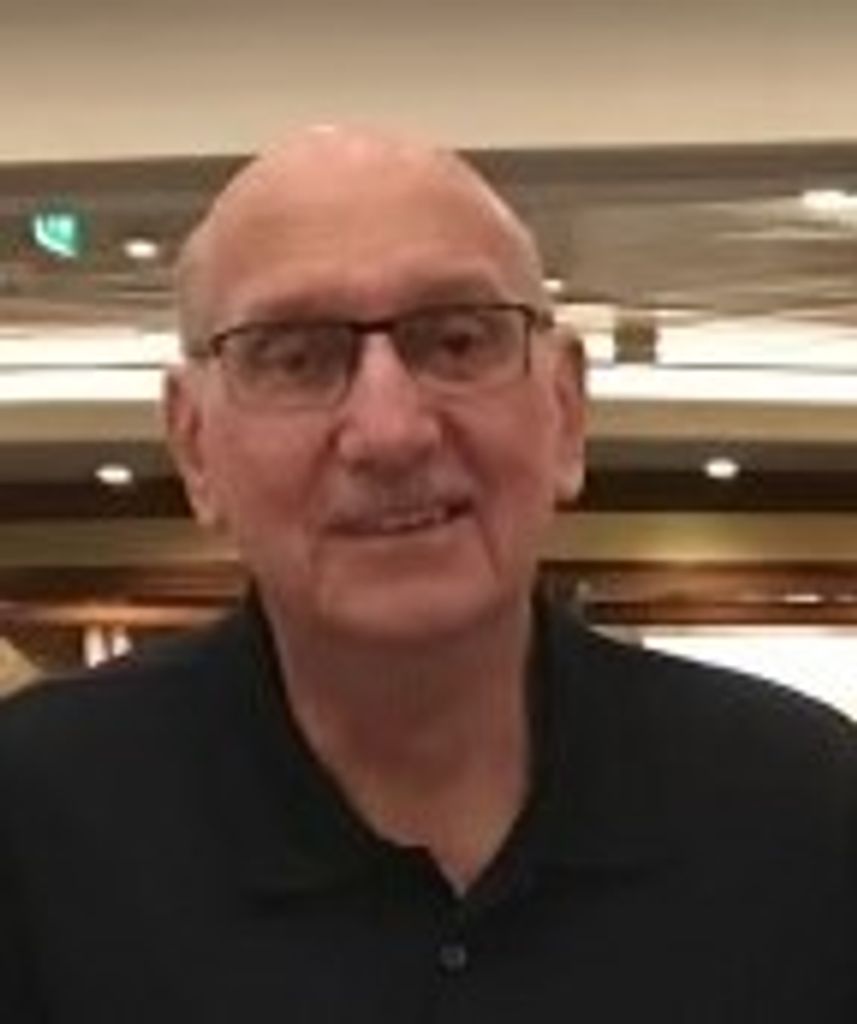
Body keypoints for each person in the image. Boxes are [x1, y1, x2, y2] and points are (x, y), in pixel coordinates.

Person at [0, 126, 854, 1023]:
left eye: (454, 341)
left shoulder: (800, 812)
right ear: (194, 446)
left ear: (565, 410)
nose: (390, 432)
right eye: (295, 357)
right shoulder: (34, 825)